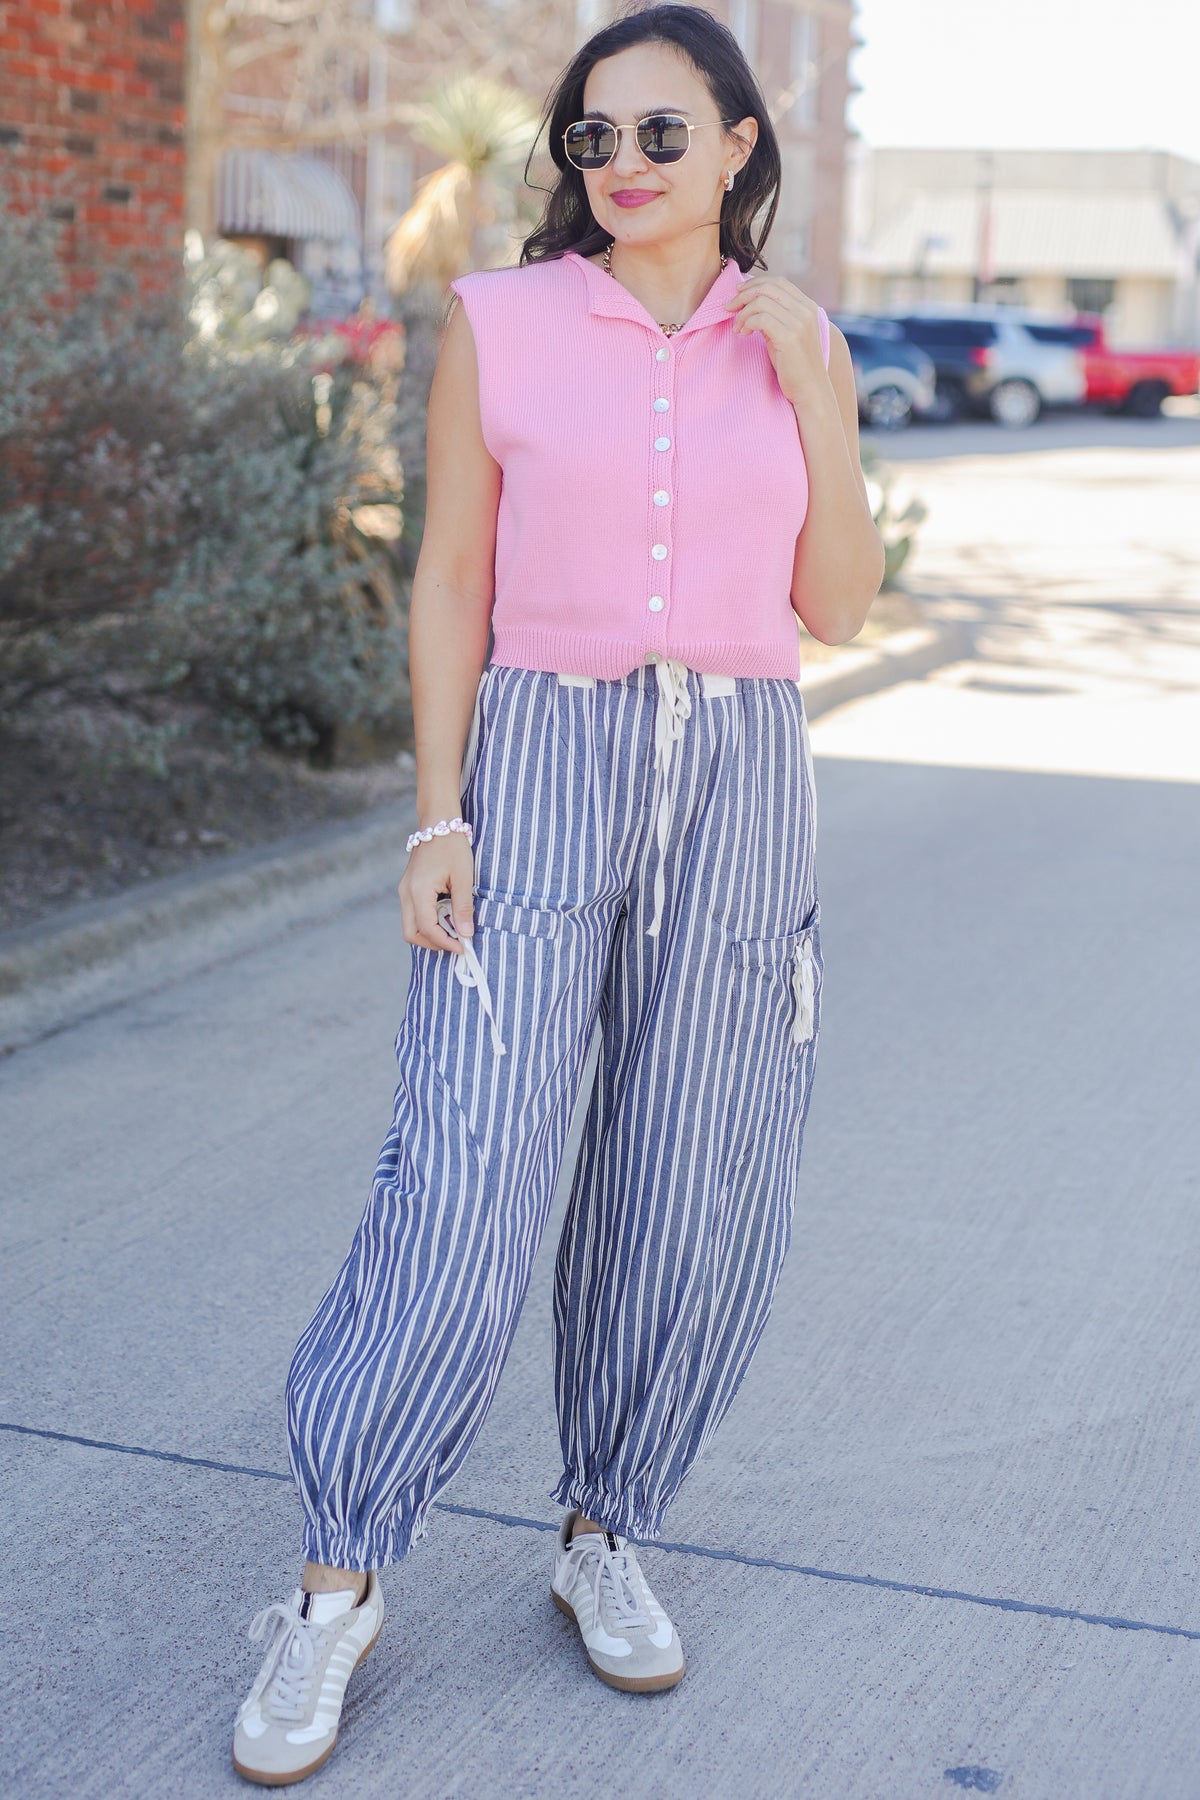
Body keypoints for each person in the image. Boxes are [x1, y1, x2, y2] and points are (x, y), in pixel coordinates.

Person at [231, 4, 884, 1784]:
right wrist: (434, 816)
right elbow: (453, 577)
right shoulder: (500, 321)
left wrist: (818, 392)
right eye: (593, 138)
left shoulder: (797, 336)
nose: (623, 166)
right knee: (462, 1178)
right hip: (536, 759)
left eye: (663, 133)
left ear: (739, 144)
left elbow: (840, 606)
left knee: (692, 1179)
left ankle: (609, 1527)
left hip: (738, 771)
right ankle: (337, 1578)